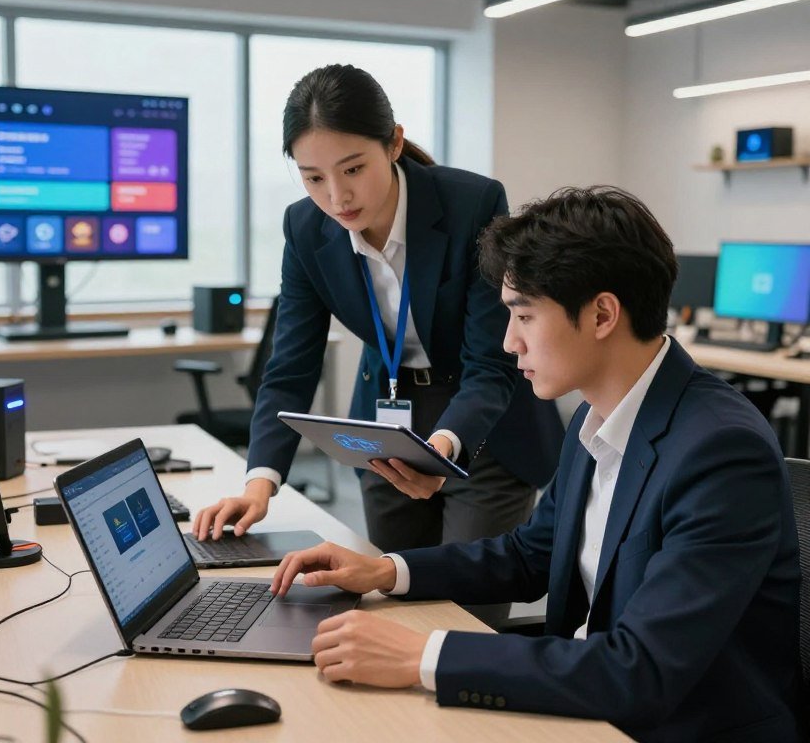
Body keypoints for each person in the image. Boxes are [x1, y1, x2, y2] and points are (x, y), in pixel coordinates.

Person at [269, 187, 805, 742]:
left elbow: (640, 671)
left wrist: (424, 655)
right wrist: (387, 571)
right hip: (592, 705)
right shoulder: (595, 416)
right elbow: (532, 555)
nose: (508, 342)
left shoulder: (720, 453)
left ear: (601, 314)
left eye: (523, 315)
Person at [194, 64, 564, 564]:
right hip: (384, 428)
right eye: (313, 177)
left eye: (353, 169)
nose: (336, 196)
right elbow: (290, 367)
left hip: (484, 427)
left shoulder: (471, 203)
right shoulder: (304, 228)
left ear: (393, 144)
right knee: (391, 592)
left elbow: (491, 360)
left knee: (468, 605)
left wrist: (444, 448)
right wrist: (259, 482)